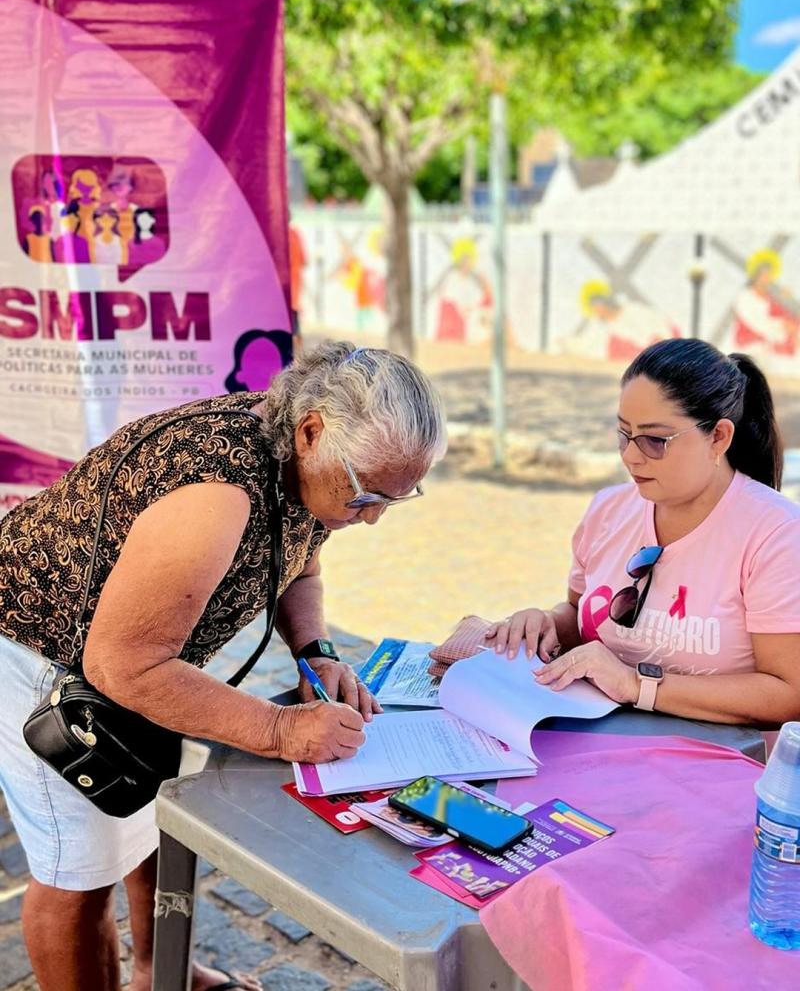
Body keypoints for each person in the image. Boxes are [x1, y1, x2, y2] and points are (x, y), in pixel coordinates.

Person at [0, 341, 447, 991]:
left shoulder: (306, 460)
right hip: (45, 656)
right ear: (312, 430)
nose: (373, 516)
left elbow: (299, 554)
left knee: (152, 806)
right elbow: (125, 666)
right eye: (366, 495)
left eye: (396, 498)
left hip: (140, 657)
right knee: (80, 870)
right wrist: (280, 730)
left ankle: (164, 971)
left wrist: (315, 649)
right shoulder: (217, 491)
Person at [478, 338, 800, 726]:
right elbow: (582, 618)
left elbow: (788, 693)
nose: (631, 456)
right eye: (623, 434)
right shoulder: (608, 510)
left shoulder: (776, 534)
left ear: (718, 437)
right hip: (593, 746)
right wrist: (545, 625)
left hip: (721, 767)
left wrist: (636, 684)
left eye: (654, 440)